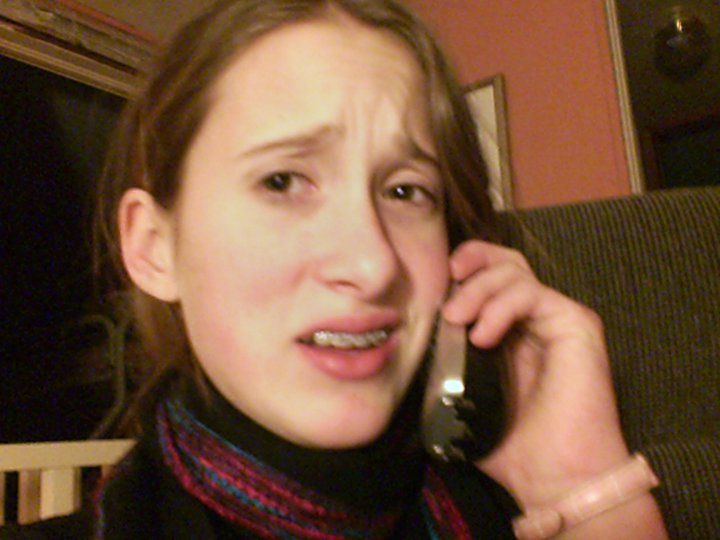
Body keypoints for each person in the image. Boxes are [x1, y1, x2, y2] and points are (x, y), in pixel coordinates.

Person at [1, 0, 668, 538]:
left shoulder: (516, 510)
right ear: (153, 247)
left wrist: (582, 488)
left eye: (405, 190)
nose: (373, 264)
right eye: (283, 181)